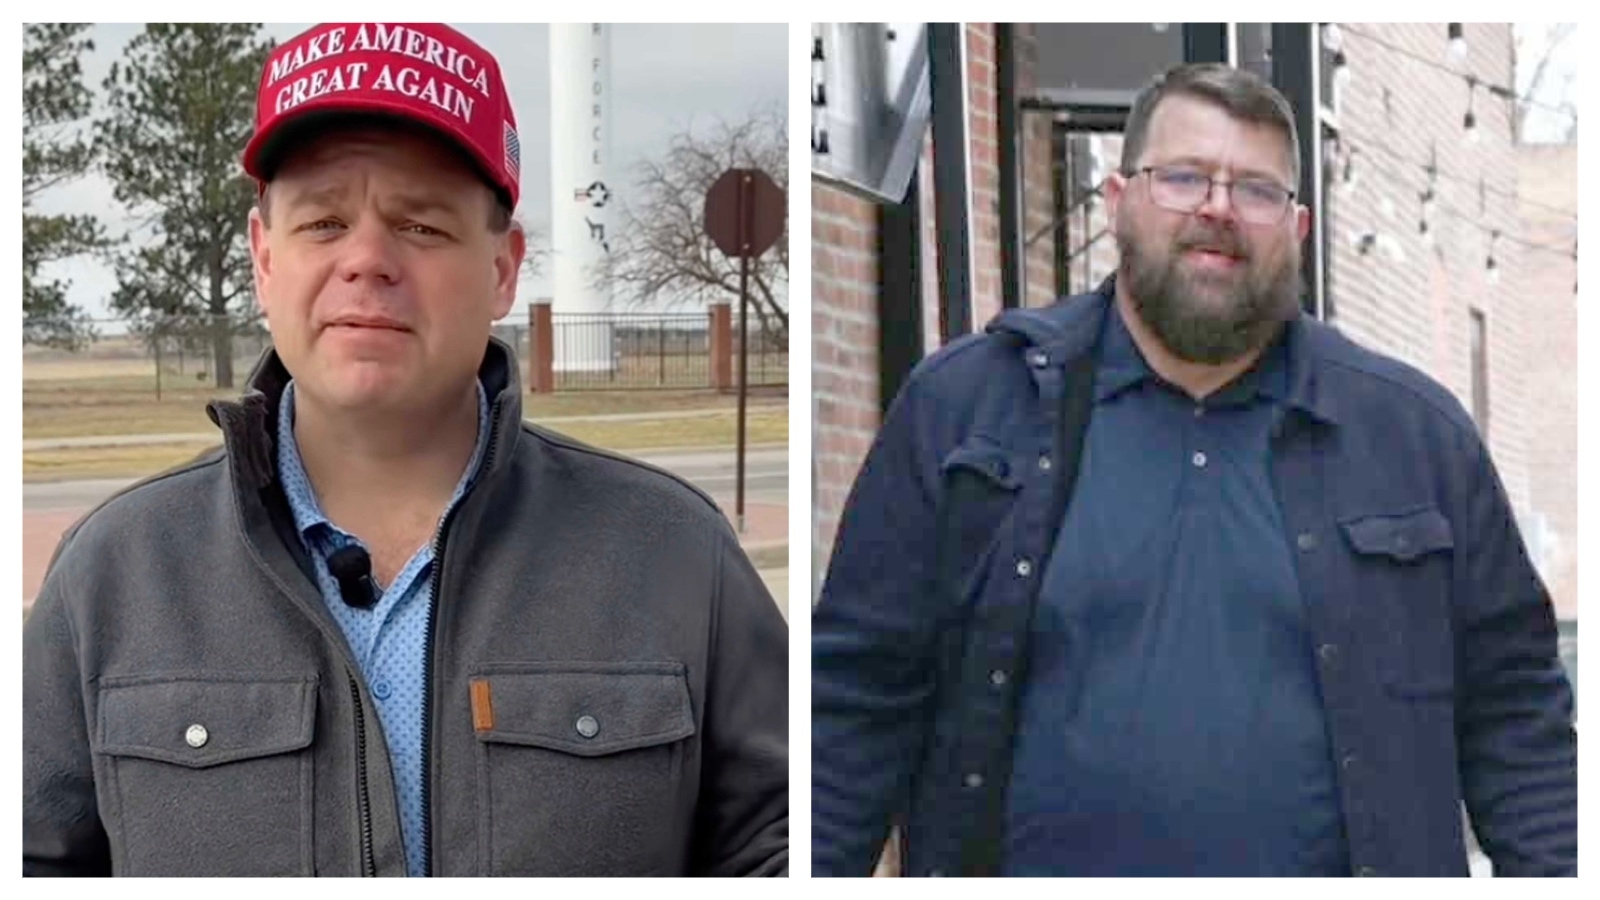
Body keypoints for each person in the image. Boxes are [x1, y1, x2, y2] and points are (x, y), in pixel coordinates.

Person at [24, 22, 788, 877]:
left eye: (421, 226)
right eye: (322, 221)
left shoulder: (673, 554)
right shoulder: (115, 576)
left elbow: (784, 841)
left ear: (504, 267)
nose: (367, 260)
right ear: (263, 257)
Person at [811, 62, 1575, 877]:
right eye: (1182, 177)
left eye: (1255, 189)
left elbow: (1519, 726)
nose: (1217, 207)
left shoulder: (1415, 439)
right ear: (1117, 201)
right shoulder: (968, 409)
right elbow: (852, 711)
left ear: (1299, 226)